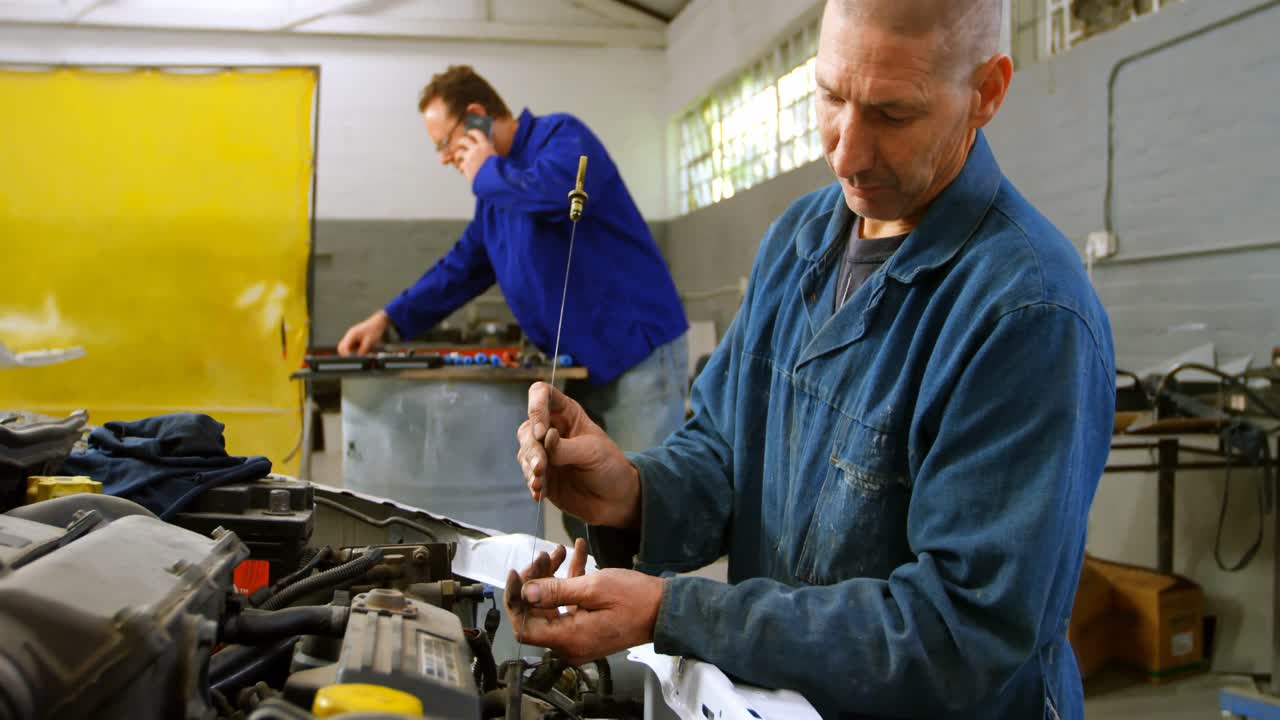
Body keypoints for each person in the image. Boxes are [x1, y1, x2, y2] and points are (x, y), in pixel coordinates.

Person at [507, 1, 1116, 717]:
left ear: (987, 91)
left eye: (892, 113)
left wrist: (675, 612)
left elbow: (959, 635)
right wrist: (633, 493)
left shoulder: (1027, 312)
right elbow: (725, 448)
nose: (846, 154)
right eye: (829, 97)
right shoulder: (799, 240)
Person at [337, 65, 689, 455]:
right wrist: (387, 319)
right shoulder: (495, 196)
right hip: (581, 368)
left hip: (636, 355)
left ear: (476, 116)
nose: (444, 158)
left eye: (444, 143)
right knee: (590, 489)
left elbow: (556, 195)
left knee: (647, 483)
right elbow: (460, 269)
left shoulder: (561, 137)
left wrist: (486, 173)